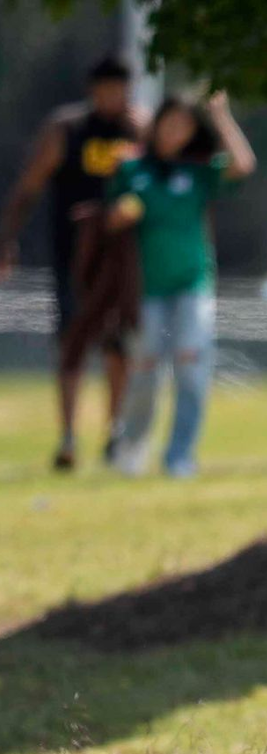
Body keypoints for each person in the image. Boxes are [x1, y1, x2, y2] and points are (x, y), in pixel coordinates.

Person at [0, 55, 144, 471]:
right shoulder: (66, 128)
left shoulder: (138, 128)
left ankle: (115, 432)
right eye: (107, 89)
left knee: (119, 344)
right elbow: (28, 187)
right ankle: (67, 435)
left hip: (123, 258)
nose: (114, 97)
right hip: (74, 257)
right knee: (72, 342)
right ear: (93, 90)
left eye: (120, 89)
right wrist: (7, 239)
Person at [105, 93, 256, 478]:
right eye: (169, 123)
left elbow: (243, 165)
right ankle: (132, 448)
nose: (175, 132)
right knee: (145, 369)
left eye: (184, 126)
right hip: (147, 288)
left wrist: (220, 115)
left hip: (192, 284)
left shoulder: (199, 172)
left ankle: (179, 456)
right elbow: (108, 218)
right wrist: (120, 214)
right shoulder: (132, 167)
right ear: (156, 125)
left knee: (191, 365)